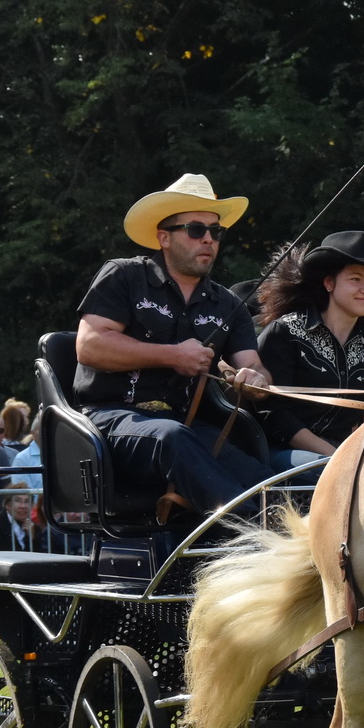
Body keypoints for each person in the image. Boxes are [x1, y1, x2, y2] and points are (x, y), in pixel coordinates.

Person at [73, 173, 275, 515]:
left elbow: (252, 365)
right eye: (196, 230)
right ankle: (256, 535)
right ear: (164, 237)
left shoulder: (227, 304)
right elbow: (89, 346)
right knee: (172, 438)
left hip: (188, 428)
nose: (208, 239)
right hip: (110, 420)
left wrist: (256, 380)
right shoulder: (123, 275)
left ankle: (295, 537)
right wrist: (173, 356)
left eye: (216, 231)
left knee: (271, 483)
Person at [253, 230, 364, 469]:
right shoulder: (285, 332)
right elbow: (273, 413)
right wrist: (336, 457)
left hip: (352, 457)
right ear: (329, 283)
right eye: (356, 279)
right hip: (284, 454)